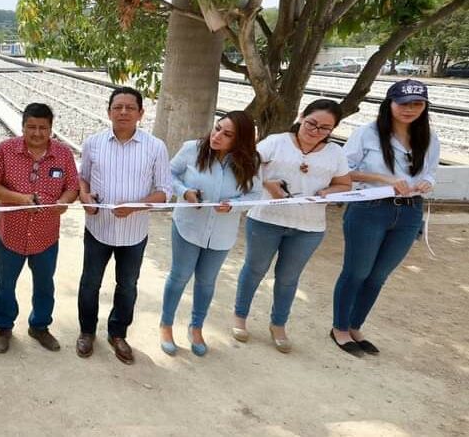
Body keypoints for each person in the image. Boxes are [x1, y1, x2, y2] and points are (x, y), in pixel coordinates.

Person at [233, 99, 351, 353]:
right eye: (312, 123)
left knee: (288, 279)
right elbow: (245, 163)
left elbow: (345, 184)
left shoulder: (336, 153)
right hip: (266, 219)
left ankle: (278, 324)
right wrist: (267, 182)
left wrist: (329, 191)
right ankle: (240, 316)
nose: (315, 131)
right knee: (254, 269)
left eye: (325, 128)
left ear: (333, 130)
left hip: (309, 227)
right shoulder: (276, 142)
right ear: (301, 117)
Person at [332, 79, 439, 356]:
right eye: (403, 103)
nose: (409, 109)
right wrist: (383, 179)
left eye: (417, 104)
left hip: (409, 211)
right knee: (357, 272)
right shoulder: (366, 133)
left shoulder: (428, 137)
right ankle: (340, 328)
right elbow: (344, 170)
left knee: (378, 275)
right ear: (389, 103)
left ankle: (356, 325)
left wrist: (426, 183)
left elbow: (428, 172)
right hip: (370, 209)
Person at [75, 86, 171, 363]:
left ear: (141, 113)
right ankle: (87, 331)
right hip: (98, 228)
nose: (124, 112)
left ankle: (118, 333)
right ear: (108, 111)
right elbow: (83, 179)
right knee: (90, 283)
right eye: (118, 107)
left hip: (134, 233)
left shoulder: (155, 147)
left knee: (127, 285)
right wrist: (85, 195)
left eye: (130, 107)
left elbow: (164, 191)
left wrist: (135, 206)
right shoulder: (93, 143)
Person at [159, 111, 261, 357]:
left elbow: (255, 196)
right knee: (180, 275)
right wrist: (184, 192)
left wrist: (234, 205)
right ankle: (166, 325)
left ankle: (196, 327)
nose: (217, 136)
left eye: (227, 135)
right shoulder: (193, 149)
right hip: (188, 226)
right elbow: (168, 175)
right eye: (217, 128)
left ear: (241, 141)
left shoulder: (251, 162)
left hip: (221, 234)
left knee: (206, 282)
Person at [0, 103, 79, 353]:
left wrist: (64, 201)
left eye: (43, 128)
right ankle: (4, 327)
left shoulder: (63, 154)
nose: (37, 133)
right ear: (23, 126)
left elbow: (73, 186)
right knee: (5, 284)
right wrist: (20, 199)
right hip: (10, 232)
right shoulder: (5, 150)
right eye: (31, 127)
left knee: (44, 284)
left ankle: (39, 326)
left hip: (46, 235)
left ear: (51, 128)